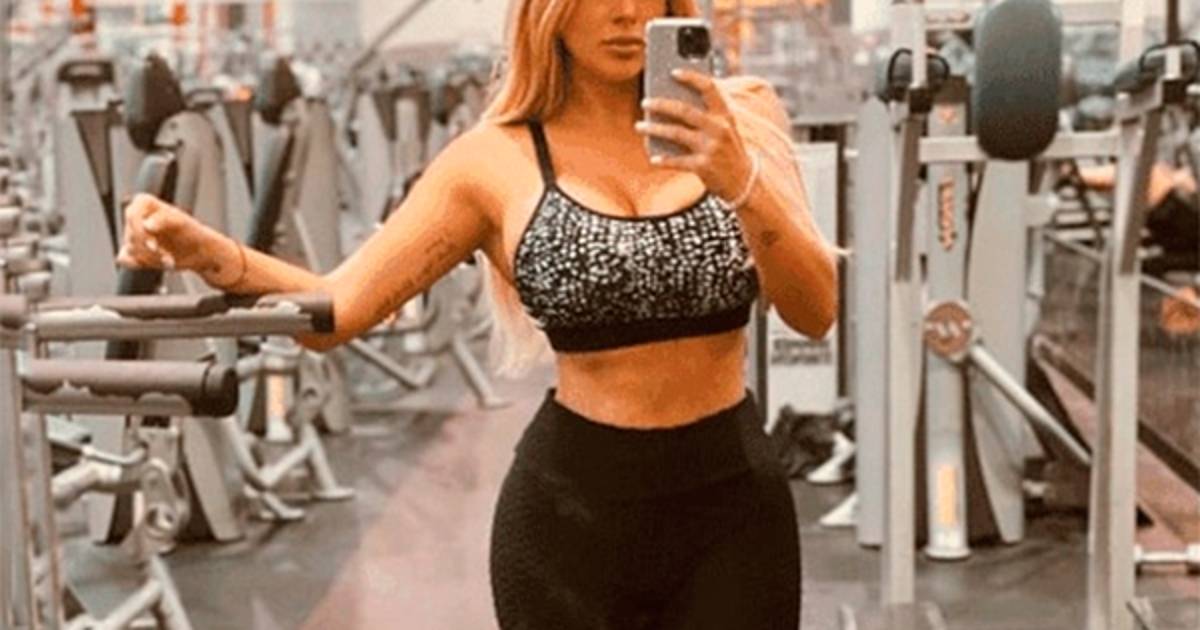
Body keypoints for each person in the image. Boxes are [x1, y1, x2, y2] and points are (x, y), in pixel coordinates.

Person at [117, 0, 838, 627]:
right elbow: (337, 312)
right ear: (548, 11)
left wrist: (740, 179)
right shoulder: (492, 161)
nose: (625, 12)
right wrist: (209, 252)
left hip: (733, 510)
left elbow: (815, 311)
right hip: (570, 520)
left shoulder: (741, 119)